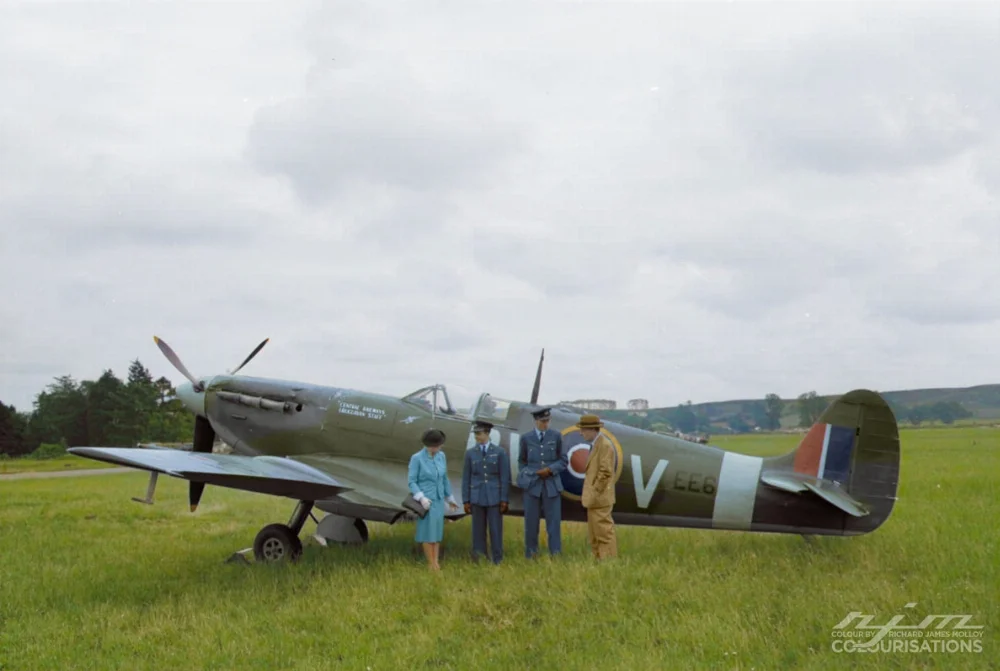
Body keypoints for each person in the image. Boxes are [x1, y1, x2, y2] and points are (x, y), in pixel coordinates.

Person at [517, 407, 567, 558]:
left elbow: (563, 460)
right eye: (542, 421)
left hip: (552, 486)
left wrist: (550, 470)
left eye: (547, 421)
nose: (545, 424)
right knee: (531, 524)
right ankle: (531, 554)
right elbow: (522, 462)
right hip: (532, 487)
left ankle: (555, 554)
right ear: (536, 421)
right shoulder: (526, 438)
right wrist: (529, 475)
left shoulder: (556, 436)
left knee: (553, 524)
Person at [408, 428, 460, 570]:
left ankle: (436, 561)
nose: (436, 448)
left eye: (438, 446)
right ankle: (431, 564)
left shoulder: (441, 456)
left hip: (438, 500)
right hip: (426, 502)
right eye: (433, 446)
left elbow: (444, 478)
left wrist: (450, 497)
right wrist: (421, 497)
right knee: (427, 533)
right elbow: (412, 481)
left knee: (436, 533)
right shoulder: (417, 458)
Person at [461, 420, 510, 564]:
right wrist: (466, 500)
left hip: (494, 497)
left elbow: (504, 477)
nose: (477, 437)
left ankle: (497, 559)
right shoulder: (470, 454)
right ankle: (479, 558)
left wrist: (504, 499)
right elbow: (466, 478)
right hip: (476, 497)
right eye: (476, 434)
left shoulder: (499, 452)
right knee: (477, 531)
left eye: (480, 434)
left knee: (495, 530)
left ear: (487, 434)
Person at [579, 414, 618, 560]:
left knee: (604, 533)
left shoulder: (605, 445)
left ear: (591, 430)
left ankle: (608, 562)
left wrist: (594, 492)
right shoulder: (597, 444)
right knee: (595, 533)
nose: (580, 433)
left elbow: (605, 472)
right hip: (595, 499)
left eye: (583, 429)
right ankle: (598, 559)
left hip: (600, 498)